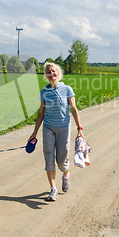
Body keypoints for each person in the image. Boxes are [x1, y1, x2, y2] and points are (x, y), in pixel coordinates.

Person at [27, 62, 84, 201]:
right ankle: (53, 189)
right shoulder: (44, 92)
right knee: (49, 157)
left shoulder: (67, 89)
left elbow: (74, 109)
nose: (51, 74)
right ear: (45, 76)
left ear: (58, 73)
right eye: (48, 72)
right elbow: (41, 113)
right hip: (48, 128)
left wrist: (79, 129)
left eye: (54, 71)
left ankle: (66, 175)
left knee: (62, 159)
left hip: (64, 128)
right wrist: (34, 133)